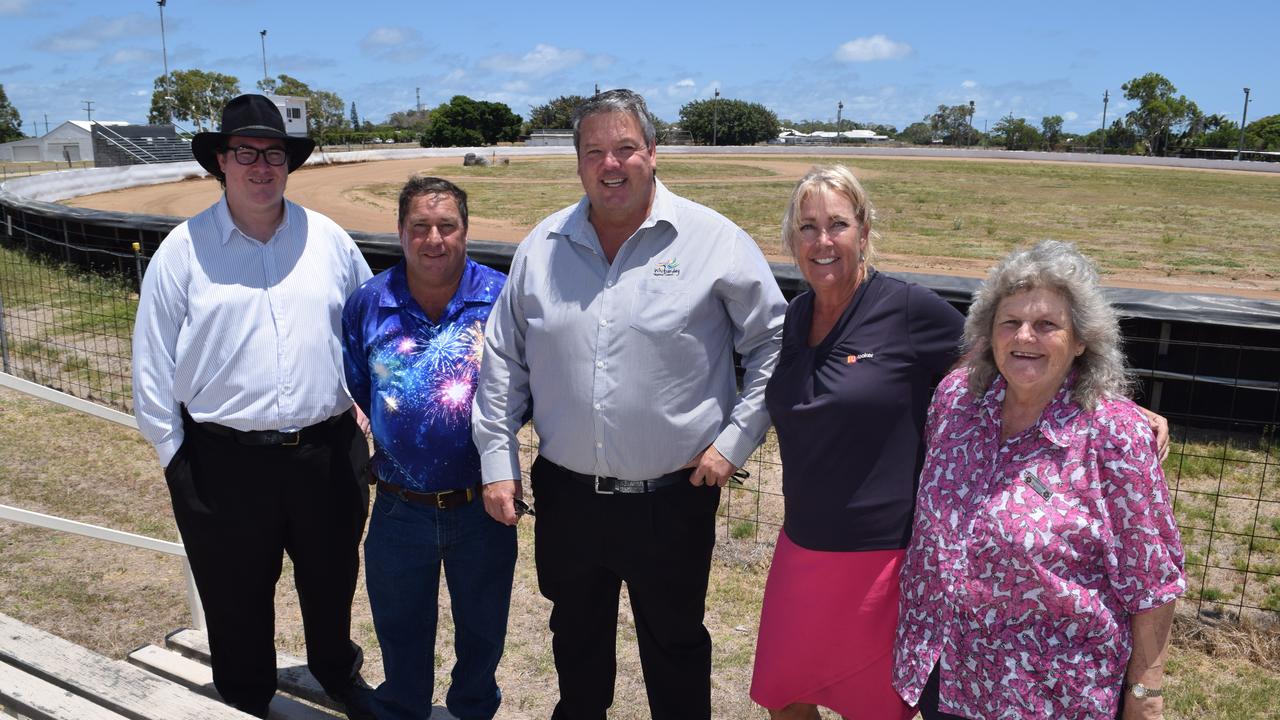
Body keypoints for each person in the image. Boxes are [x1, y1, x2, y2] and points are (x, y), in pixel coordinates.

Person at [472, 88, 786, 720]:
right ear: (578, 161)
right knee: (576, 643)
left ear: (652, 151)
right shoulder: (542, 246)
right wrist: (496, 461)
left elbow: (774, 343)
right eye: (594, 152)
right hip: (567, 496)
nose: (610, 166)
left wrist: (734, 442)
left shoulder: (713, 240)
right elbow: (503, 359)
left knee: (674, 645)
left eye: (625, 149)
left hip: (672, 497)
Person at [131, 94, 374, 720]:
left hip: (325, 450)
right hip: (221, 462)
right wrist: (175, 458)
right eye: (246, 153)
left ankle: (334, 673)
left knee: (330, 579)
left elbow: (366, 330)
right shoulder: (182, 252)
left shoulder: (331, 241)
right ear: (221, 161)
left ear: (288, 164)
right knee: (234, 595)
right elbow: (151, 364)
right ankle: (243, 699)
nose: (261, 167)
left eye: (274, 154)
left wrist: (369, 411)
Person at [892, 240, 1186, 720]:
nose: (1024, 336)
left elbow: (1151, 583)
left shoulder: (1114, 435)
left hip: (1049, 696)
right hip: (946, 678)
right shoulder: (956, 403)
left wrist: (1144, 696)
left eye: (1047, 325)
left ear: (1081, 340)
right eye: (1010, 322)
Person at [749, 165, 965, 720]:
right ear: (791, 239)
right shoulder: (795, 316)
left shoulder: (909, 309)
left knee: (871, 708)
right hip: (801, 546)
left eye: (837, 225)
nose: (822, 241)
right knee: (785, 694)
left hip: (881, 558)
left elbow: (1012, 355)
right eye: (807, 227)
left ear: (864, 232)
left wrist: (1112, 405)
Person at [341, 176, 516, 720]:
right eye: (420, 226)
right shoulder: (369, 303)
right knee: (399, 629)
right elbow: (361, 389)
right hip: (398, 506)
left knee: (483, 633)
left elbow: (525, 389)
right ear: (401, 232)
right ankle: (403, 709)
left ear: (466, 231)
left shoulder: (502, 297)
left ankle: (472, 710)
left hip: (482, 504)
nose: (433, 239)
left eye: (447, 226)